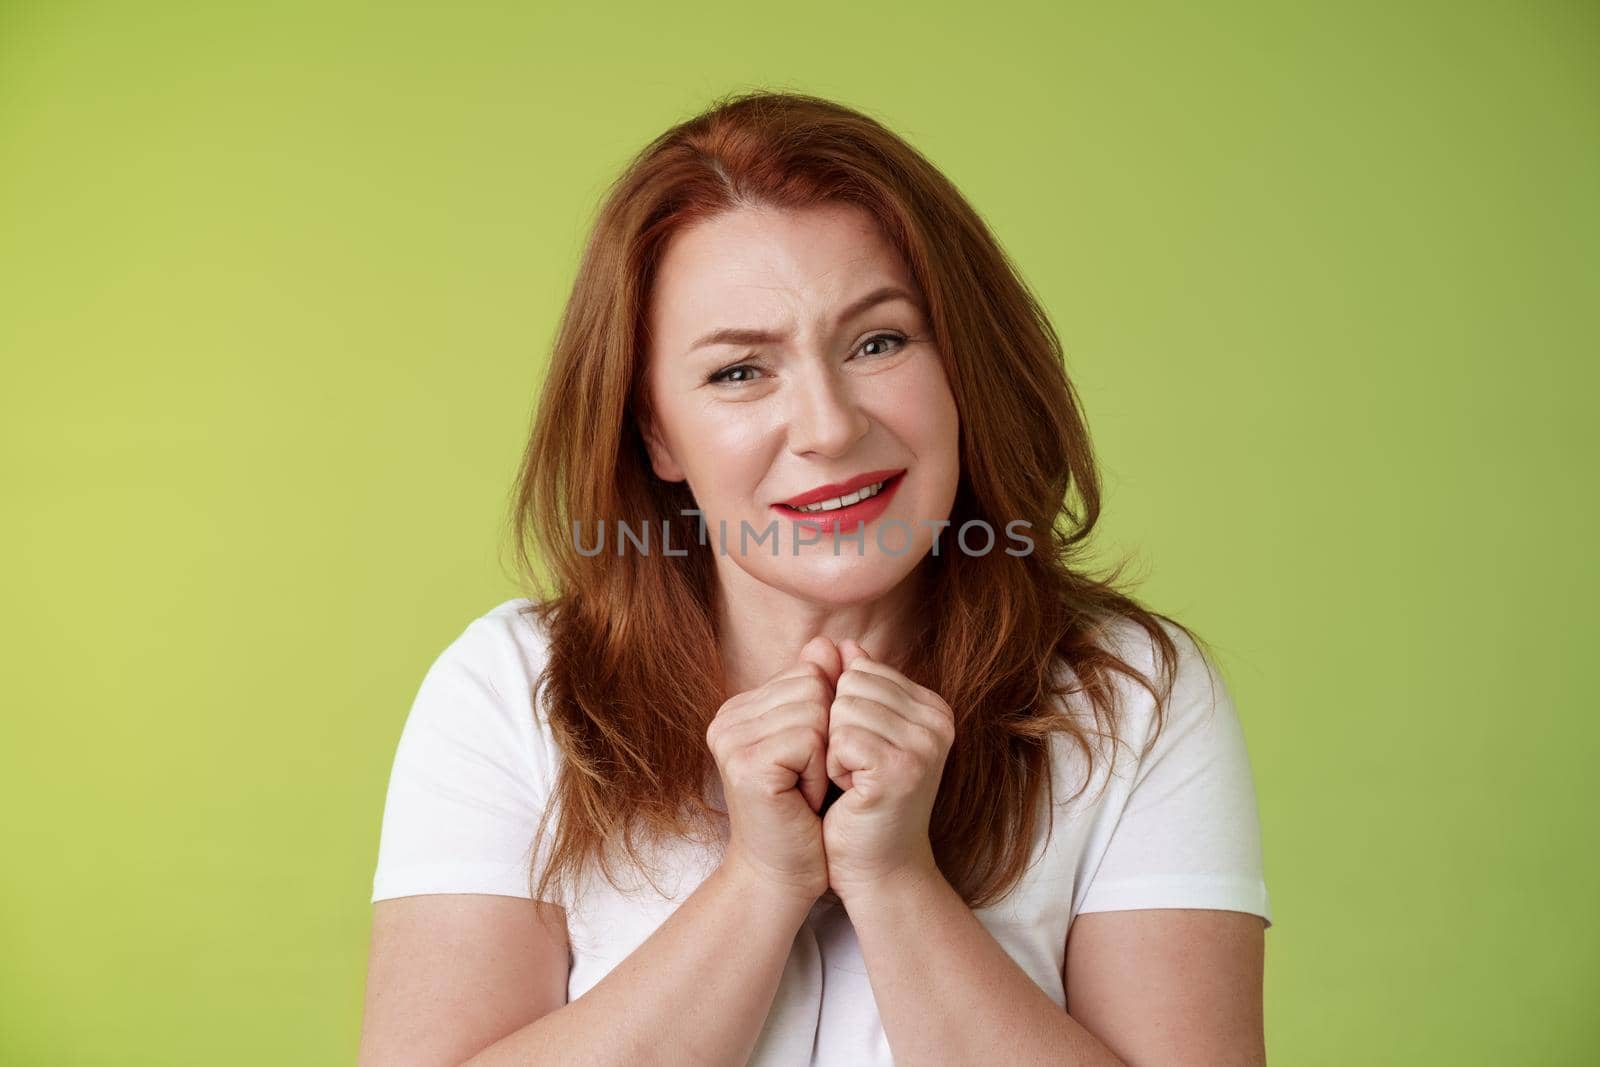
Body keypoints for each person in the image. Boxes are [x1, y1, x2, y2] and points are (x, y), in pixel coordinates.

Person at [358, 90, 1272, 1066]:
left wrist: (895, 881)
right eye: (739, 372)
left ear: (960, 363)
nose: (830, 427)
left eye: (878, 342)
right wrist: (757, 882)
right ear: (655, 430)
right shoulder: (509, 689)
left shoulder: (1130, 691)